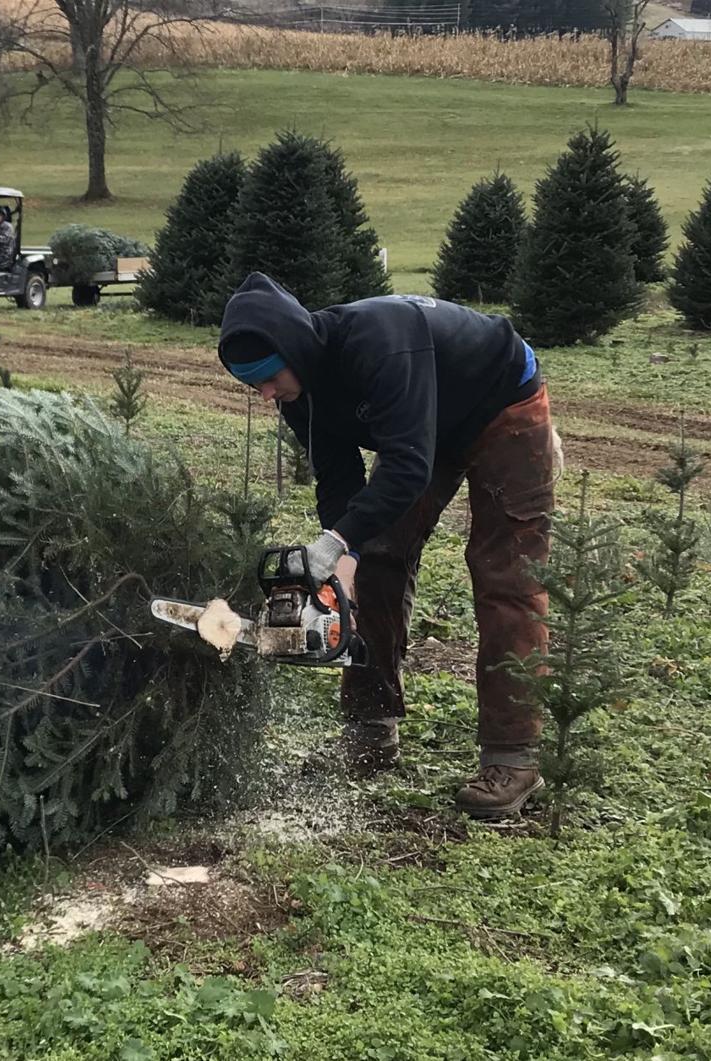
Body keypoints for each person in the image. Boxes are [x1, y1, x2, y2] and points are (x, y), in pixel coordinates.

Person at [218, 272, 554, 819]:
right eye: (251, 384)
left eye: (267, 378)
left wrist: (338, 542)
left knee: (506, 575)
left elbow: (407, 466)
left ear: (293, 347)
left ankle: (512, 757)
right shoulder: (299, 386)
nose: (265, 393)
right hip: (423, 426)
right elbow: (337, 475)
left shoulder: (380, 342)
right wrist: (341, 556)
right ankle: (370, 730)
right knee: (376, 560)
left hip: (500, 405)